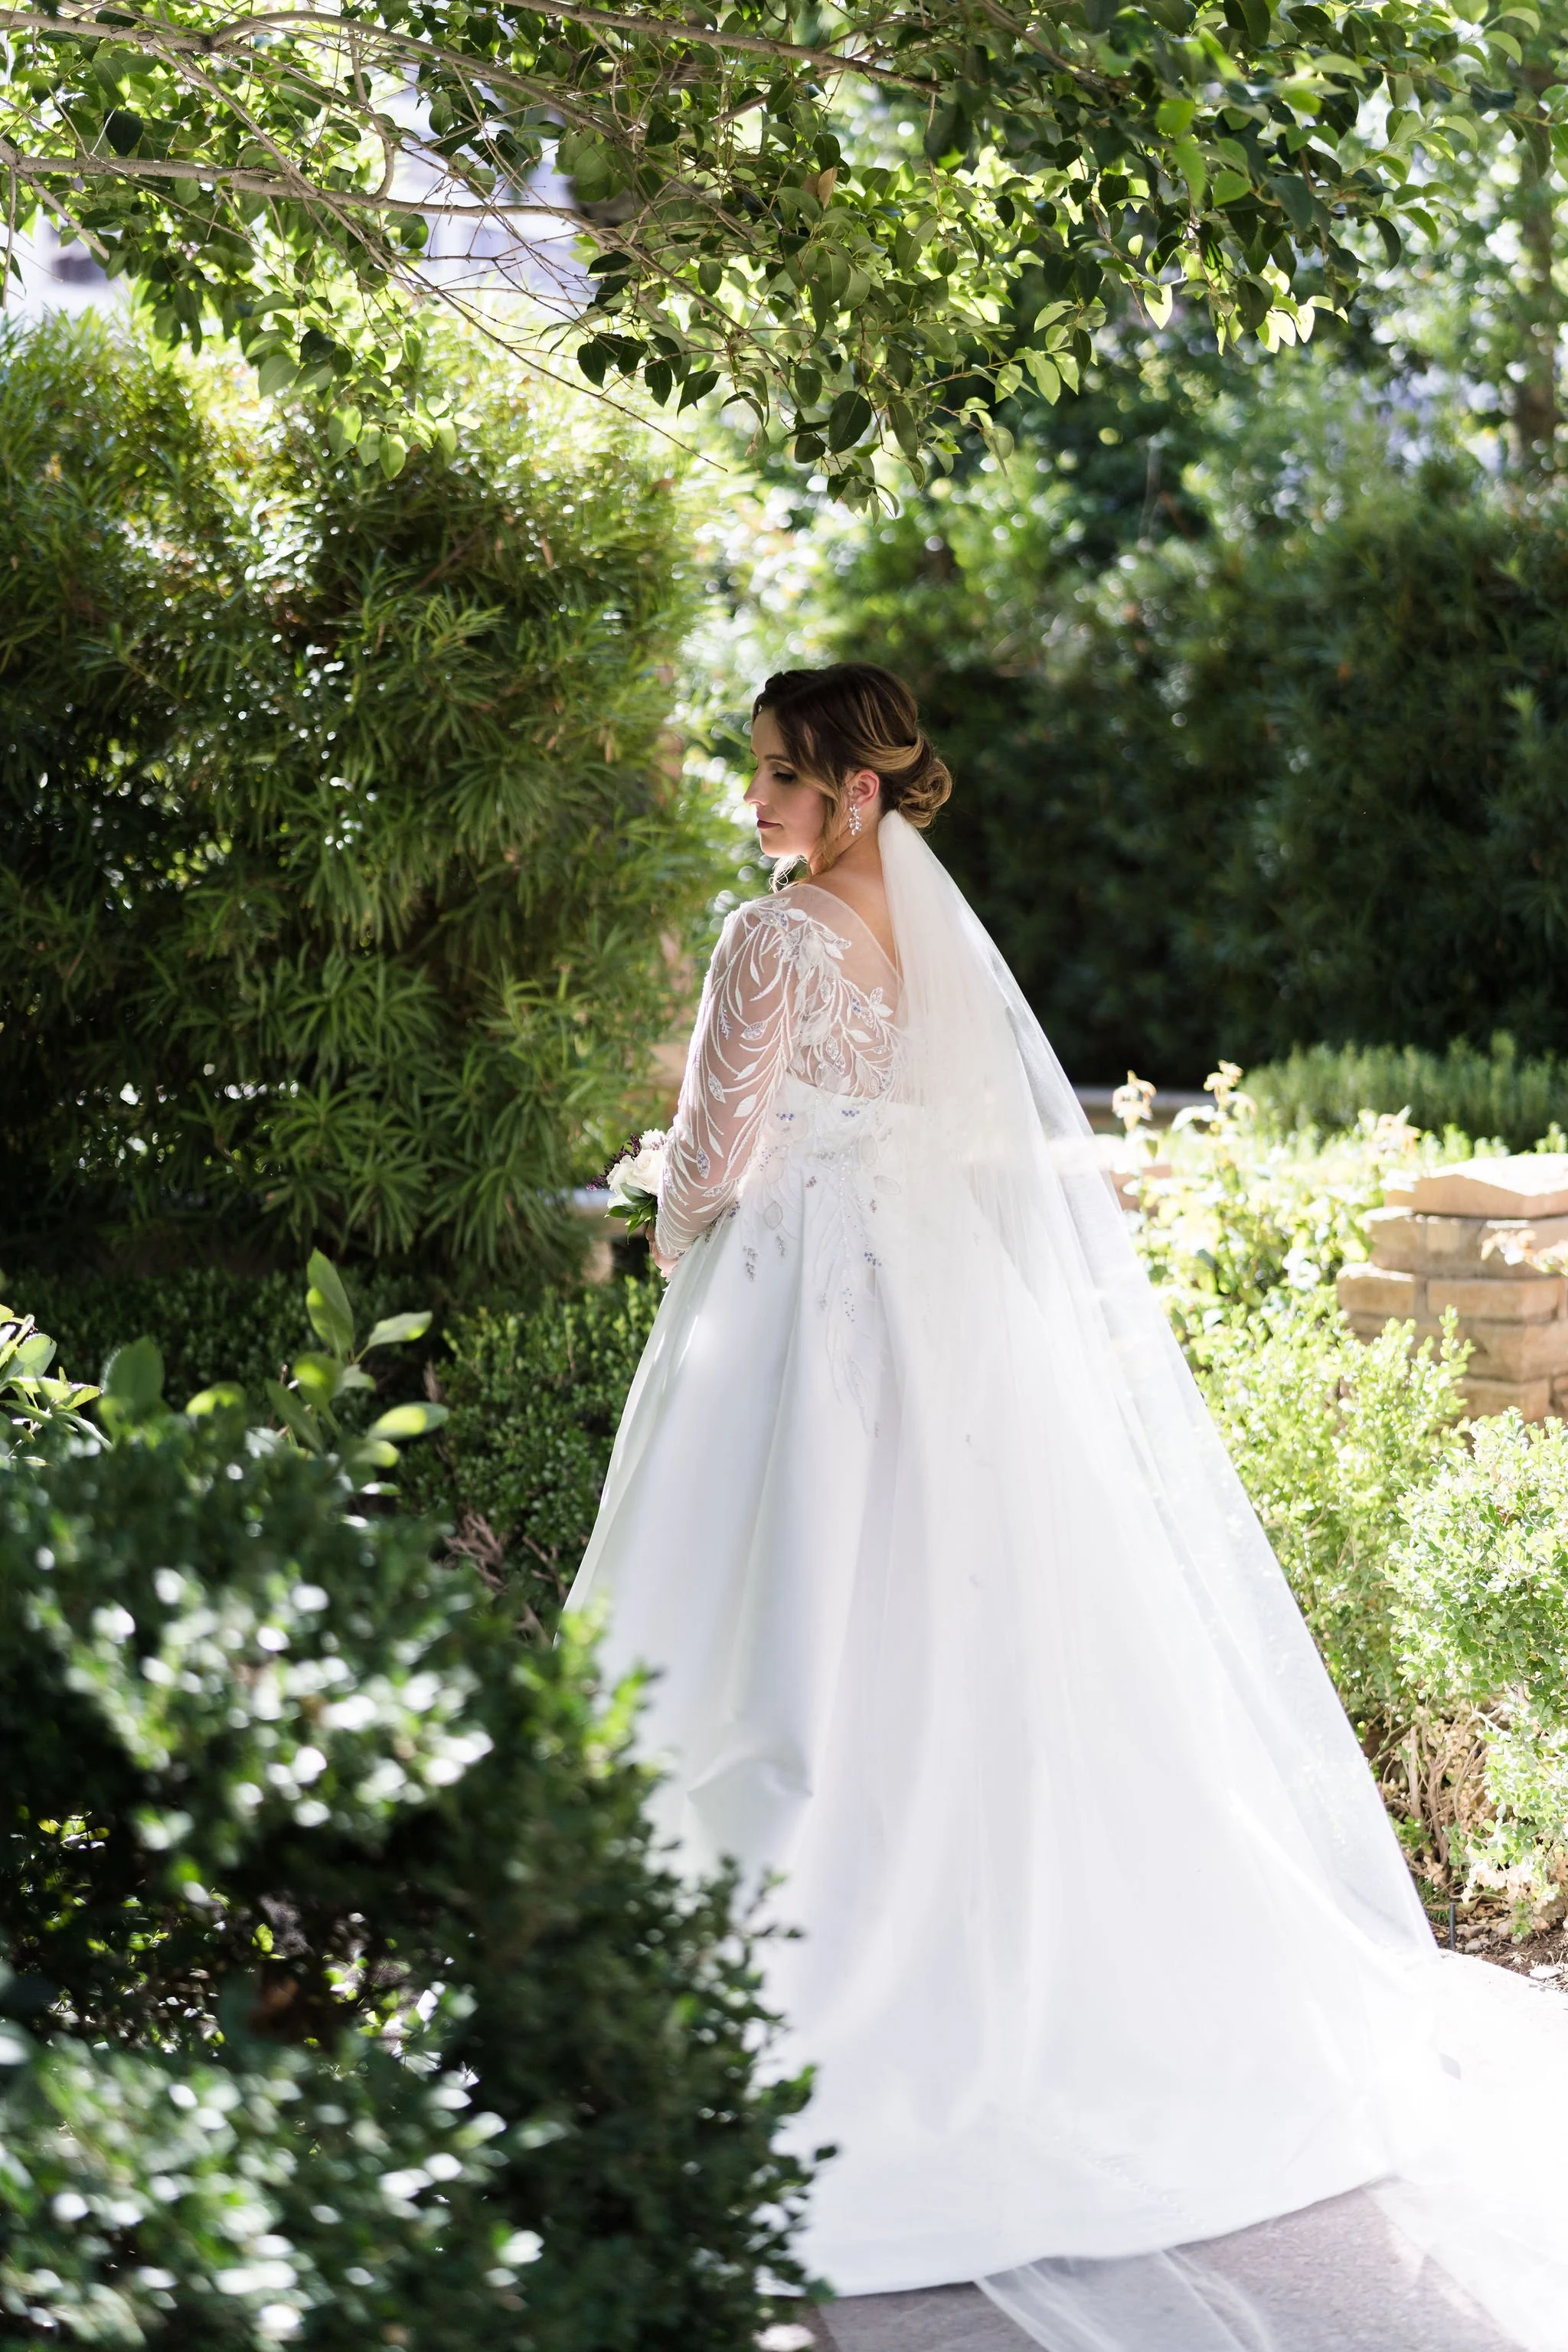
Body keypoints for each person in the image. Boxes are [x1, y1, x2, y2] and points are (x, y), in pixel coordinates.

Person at [567, 664, 1568, 2350]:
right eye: (755, 771)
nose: (756, 801)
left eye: (783, 777)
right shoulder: (936, 941)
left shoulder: (769, 939)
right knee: (951, 1623)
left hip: (789, 1319)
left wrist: (656, 1209)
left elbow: (717, 1159)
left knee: (768, 1620)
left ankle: (765, 1971)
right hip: (934, 1316)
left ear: (857, 792)